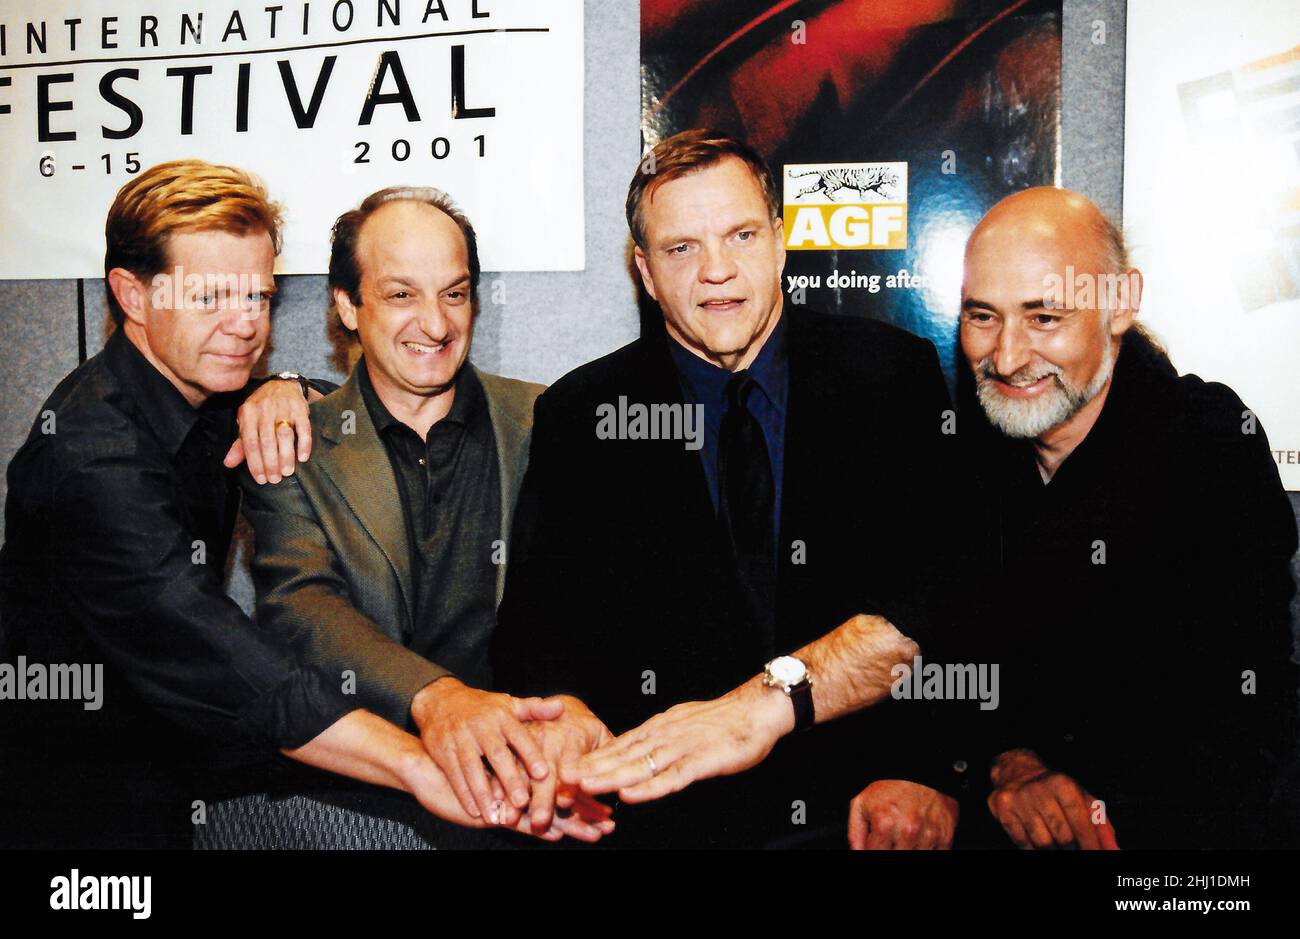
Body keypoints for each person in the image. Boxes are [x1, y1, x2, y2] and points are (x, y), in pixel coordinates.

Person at [0, 161, 563, 849]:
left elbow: (340, 394)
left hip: (170, 778)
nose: (244, 327)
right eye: (210, 296)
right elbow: (223, 653)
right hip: (74, 806)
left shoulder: (204, 387)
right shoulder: (90, 456)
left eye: (258, 296)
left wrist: (289, 383)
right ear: (132, 295)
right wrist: (422, 762)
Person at [492, 130, 963, 848]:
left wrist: (926, 769)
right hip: (662, 821)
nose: (717, 270)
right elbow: (539, 635)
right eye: (682, 248)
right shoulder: (583, 414)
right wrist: (568, 726)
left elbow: (945, 598)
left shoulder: (891, 376)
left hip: (861, 811)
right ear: (646, 273)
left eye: (740, 234)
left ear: (779, 241)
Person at [849, 186, 1297, 850]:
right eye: (982, 316)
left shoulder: (1207, 442)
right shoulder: (963, 453)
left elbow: (1228, 710)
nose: (1006, 356)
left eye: (1043, 317)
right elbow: (940, 658)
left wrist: (1062, 780)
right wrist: (998, 762)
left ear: (1120, 303)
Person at [234, 187, 613, 847]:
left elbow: (589, 596)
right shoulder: (291, 442)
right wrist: (439, 698)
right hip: (359, 799)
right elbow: (302, 609)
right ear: (347, 306)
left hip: (530, 784)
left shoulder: (547, 419)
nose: (435, 325)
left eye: (454, 293)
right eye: (401, 294)